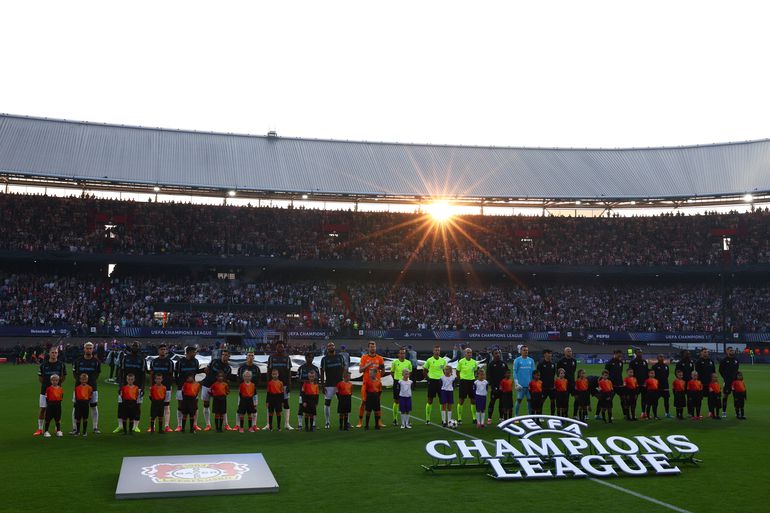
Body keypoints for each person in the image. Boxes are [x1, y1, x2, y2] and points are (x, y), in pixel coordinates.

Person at [71, 342, 101, 435]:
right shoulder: (78, 361)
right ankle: (75, 428)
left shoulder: (96, 361)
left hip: (92, 387)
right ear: (84, 349)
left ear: (93, 349)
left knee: (93, 406)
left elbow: (97, 374)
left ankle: (95, 427)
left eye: (90, 348)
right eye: (87, 348)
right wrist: (81, 383)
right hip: (79, 388)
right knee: (76, 407)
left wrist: (90, 382)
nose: (88, 350)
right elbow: (75, 374)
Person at [34, 347, 66, 436]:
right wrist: (47, 385)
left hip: (56, 391)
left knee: (57, 410)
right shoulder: (43, 365)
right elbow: (40, 378)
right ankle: (40, 429)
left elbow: (63, 377)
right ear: (49, 353)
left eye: (55, 353)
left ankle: (57, 428)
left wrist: (56, 386)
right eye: (52, 352)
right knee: (43, 409)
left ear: (58, 354)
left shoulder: (61, 365)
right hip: (45, 390)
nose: (54, 354)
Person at [115, 342, 145, 434]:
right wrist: (120, 385)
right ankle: (120, 426)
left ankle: (136, 426)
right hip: (125, 386)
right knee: (121, 406)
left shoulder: (141, 359)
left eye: (136, 346)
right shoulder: (125, 358)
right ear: (131, 347)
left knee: (137, 406)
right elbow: (121, 372)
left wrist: (143, 387)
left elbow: (143, 374)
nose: (135, 347)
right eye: (133, 346)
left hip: (137, 387)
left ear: (139, 348)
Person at [202, 348, 231, 431]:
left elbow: (226, 380)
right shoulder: (214, 361)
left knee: (222, 407)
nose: (224, 356)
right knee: (206, 404)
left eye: (226, 355)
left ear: (229, 356)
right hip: (207, 385)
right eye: (223, 355)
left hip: (219, 389)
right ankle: (208, 425)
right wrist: (210, 378)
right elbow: (207, 370)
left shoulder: (228, 368)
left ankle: (226, 425)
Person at [358, 341, 385, 428]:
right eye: (371, 347)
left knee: (377, 403)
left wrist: (379, 377)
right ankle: (360, 421)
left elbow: (383, 369)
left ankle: (379, 422)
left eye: (374, 347)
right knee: (363, 402)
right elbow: (360, 370)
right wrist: (368, 365)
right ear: (368, 348)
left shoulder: (380, 358)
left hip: (376, 385)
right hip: (366, 384)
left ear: (375, 347)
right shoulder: (364, 357)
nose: (373, 348)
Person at [320, 342, 347, 429]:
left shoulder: (340, 357)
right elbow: (322, 372)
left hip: (339, 384)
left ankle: (346, 421)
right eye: (329, 346)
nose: (331, 347)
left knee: (343, 403)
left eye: (332, 345)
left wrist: (343, 379)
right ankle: (327, 422)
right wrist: (322, 385)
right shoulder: (324, 359)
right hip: (329, 384)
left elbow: (343, 368)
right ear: (327, 348)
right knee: (327, 403)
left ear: (335, 347)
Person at [267, 342, 293, 430]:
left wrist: (289, 384)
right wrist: (268, 382)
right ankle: (268, 424)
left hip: (284, 384)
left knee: (286, 403)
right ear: (276, 347)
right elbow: (268, 370)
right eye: (278, 347)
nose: (280, 348)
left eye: (281, 347)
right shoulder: (271, 357)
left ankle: (287, 424)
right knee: (270, 404)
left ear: (284, 348)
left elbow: (289, 371)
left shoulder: (287, 357)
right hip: (273, 385)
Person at [174, 346, 200, 432]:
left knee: (194, 406)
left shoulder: (196, 361)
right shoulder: (180, 362)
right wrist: (179, 384)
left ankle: (194, 425)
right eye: (194, 352)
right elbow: (176, 375)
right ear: (188, 352)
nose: (195, 354)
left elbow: (196, 372)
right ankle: (179, 425)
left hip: (193, 388)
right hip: (182, 387)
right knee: (180, 406)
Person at [149, 344, 174, 432]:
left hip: (166, 387)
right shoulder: (154, 361)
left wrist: (170, 386)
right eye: (161, 349)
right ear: (158, 351)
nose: (163, 351)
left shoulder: (170, 362)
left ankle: (167, 426)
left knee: (166, 406)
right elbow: (151, 375)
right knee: (154, 406)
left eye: (164, 349)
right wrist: (151, 386)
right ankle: (152, 426)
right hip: (155, 388)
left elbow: (171, 375)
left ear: (166, 351)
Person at [423, 344, 447, 425]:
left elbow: (445, 372)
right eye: (436, 350)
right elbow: (425, 370)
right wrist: (428, 379)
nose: (437, 352)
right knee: (430, 400)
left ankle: (443, 420)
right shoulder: (429, 360)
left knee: (442, 401)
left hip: (440, 382)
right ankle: (427, 419)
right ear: (433, 351)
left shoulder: (443, 361)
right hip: (432, 382)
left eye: (438, 350)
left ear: (440, 351)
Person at [389, 347, 412, 426]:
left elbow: (410, 373)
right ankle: (395, 419)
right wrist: (396, 381)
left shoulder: (408, 363)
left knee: (406, 400)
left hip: (406, 383)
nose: (402, 355)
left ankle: (407, 420)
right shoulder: (395, 362)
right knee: (396, 401)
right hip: (397, 383)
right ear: (398, 354)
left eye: (404, 353)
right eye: (401, 353)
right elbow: (392, 372)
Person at [297, 352, 320, 429]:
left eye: (311, 357)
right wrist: (306, 381)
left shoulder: (316, 369)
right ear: (305, 358)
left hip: (312, 393)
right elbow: (298, 379)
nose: (310, 359)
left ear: (313, 358)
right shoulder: (301, 368)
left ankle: (313, 424)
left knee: (313, 409)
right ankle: (300, 424)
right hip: (303, 392)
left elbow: (317, 380)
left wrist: (312, 381)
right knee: (301, 408)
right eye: (308, 357)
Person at [456, 347, 478, 425]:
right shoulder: (461, 362)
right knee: (461, 400)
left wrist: (473, 377)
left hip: (471, 382)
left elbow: (476, 371)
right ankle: (459, 418)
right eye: (468, 353)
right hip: (463, 382)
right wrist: (460, 380)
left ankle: (474, 418)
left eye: (470, 353)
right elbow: (457, 371)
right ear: (465, 353)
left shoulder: (474, 362)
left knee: (473, 400)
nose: (469, 354)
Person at [486, 349, 508, 424]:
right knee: (492, 403)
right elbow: (488, 376)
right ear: (493, 355)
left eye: (498, 353)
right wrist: (493, 386)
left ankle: (501, 417)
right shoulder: (491, 365)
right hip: (494, 388)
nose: (498, 354)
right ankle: (489, 418)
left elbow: (507, 374)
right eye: (496, 353)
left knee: (502, 403)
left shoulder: (504, 364)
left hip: (503, 388)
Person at [513, 345, 536, 417]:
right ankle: (516, 416)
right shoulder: (517, 360)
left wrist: (533, 383)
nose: (526, 351)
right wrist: (516, 383)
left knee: (530, 400)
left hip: (529, 385)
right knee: (519, 400)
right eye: (524, 350)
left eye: (527, 350)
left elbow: (533, 373)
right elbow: (514, 372)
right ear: (521, 351)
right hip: (520, 385)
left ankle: (529, 416)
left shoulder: (531, 360)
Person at [556, 347, 578, 418]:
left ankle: (575, 415)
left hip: (572, 383)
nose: (570, 352)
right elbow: (558, 373)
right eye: (568, 351)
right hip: (564, 384)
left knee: (577, 398)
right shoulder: (561, 361)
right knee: (566, 400)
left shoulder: (574, 361)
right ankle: (565, 415)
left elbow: (573, 371)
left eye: (570, 351)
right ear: (565, 352)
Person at [718, 347, 739, 418]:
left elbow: (737, 370)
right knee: (725, 396)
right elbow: (720, 370)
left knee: (736, 397)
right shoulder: (724, 360)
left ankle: (737, 412)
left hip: (735, 382)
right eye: (730, 350)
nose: (732, 351)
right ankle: (724, 412)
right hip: (727, 382)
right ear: (727, 352)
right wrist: (725, 377)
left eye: (732, 350)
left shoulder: (736, 360)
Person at [603, 350, 624, 420]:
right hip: (611, 385)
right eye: (618, 354)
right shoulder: (609, 363)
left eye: (620, 354)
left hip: (620, 385)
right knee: (609, 400)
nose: (619, 355)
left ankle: (625, 414)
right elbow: (605, 374)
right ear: (614, 354)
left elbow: (620, 373)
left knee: (623, 399)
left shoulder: (621, 362)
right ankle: (609, 415)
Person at [629, 349, 649, 419]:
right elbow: (630, 373)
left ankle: (643, 413)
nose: (640, 354)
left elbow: (647, 373)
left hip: (644, 384)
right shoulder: (632, 362)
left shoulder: (644, 362)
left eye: (641, 352)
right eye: (638, 352)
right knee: (634, 400)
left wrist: (646, 382)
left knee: (644, 399)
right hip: (635, 385)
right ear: (635, 353)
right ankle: (632, 414)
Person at [537, 349, 557, 416]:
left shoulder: (553, 364)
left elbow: (553, 374)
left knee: (553, 401)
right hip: (543, 387)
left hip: (551, 387)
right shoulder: (541, 364)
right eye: (548, 353)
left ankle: (552, 416)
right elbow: (538, 376)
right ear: (544, 354)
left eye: (550, 353)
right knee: (541, 402)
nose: (550, 354)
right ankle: (539, 417)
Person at [652, 354, 671, 419]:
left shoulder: (666, 366)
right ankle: (655, 415)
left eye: (663, 357)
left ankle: (667, 413)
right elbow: (653, 376)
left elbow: (667, 375)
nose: (662, 358)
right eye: (660, 357)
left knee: (666, 401)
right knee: (655, 401)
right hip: (657, 387)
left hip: (665, 386)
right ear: (657, 358)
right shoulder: (655, 366)